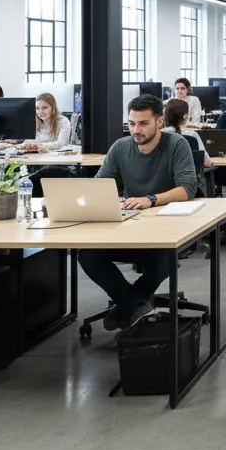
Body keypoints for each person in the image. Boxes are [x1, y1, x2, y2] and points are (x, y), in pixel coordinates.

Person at [78, 95, 197, 331]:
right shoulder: (121, 148)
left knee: (165, 259)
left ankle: (126, 304)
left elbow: (187, 189)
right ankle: (134, 304)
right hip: (130, 228)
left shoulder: (176, 144)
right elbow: (99, 185)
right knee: (88, 255)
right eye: (132, 124)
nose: (136, 130)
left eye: (143, 124)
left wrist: (151, 200)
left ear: (159, 122)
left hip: (166, 230)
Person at [163, 97, 209, 162]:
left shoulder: (159, 134)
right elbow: (206, 160)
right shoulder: (192, 135)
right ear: (185, 116)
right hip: (189, 171)